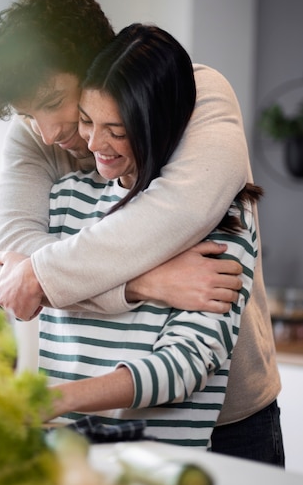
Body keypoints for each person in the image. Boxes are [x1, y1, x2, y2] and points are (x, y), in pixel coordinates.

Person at [0, 0, 284, 464]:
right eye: (26, 114)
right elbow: (15, 265)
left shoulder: (198, 96)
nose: (49, 132)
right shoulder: (45, 148)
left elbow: (176, 215)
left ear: (99, 62)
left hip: (228, 418)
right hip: (96, 432)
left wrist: (47, 276)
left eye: (56, 100)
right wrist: (142, 284)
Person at [35, 23, 262, 446]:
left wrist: (51, 400)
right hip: (69, 462)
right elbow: (2, 288)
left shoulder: (222, 221)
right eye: (86, 120)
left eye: (117, 131)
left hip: (164, 464)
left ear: (159, 123)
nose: (95, 142)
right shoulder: (66, 199)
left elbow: (184, 365)